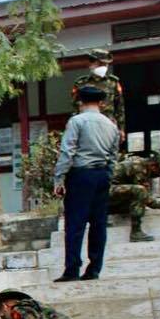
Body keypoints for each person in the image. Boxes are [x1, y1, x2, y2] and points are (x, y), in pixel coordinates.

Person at [52, 83, 119, 282]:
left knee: (75, 224)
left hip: (81, 175)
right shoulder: (111, 124)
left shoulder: (77, 122)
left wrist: (59, 177)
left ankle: (72, 268)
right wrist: (109, 174)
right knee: (99, 224)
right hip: (102, 175)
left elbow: (68, 151)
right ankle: (94, 268)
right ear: (101, 103)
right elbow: (114, 154)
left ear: (80, 101)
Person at [108, 150, 160, 244]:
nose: (158, 174)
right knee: (140, 190)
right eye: (159, 171)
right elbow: (147, 199)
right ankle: (136, 232)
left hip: (109, 195)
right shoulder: (139, 167)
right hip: (105, 194)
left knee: (138, 194)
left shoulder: (142, 164)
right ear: (154, 165)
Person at [71, 48, 126, 143]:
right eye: (101, 64)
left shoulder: (113, 82)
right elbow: (75, 108)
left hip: (108, 126)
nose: (104, 67)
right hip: (87, 128)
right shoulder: (81, 83)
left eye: (106, 64)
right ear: (91, 63)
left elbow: (119, 107)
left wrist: (121, 129)